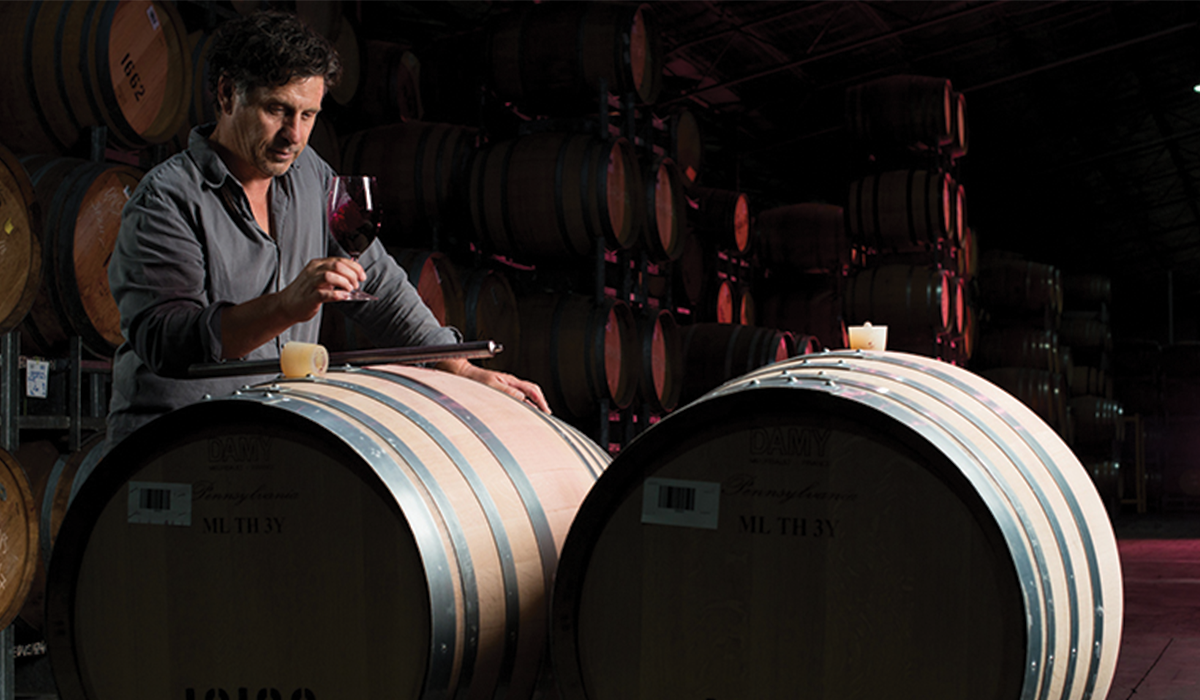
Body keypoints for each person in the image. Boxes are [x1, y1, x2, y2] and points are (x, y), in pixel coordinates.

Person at [105, 10, 547, 451]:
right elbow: (168, 342)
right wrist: (286, 306)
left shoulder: (311, 175)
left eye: (308, 114)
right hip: (169, 447)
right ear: (226, 94)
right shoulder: (167, 198)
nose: (293, 135)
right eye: (277, 110)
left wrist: (463, 370)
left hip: (263, 437)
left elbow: (378, 282)